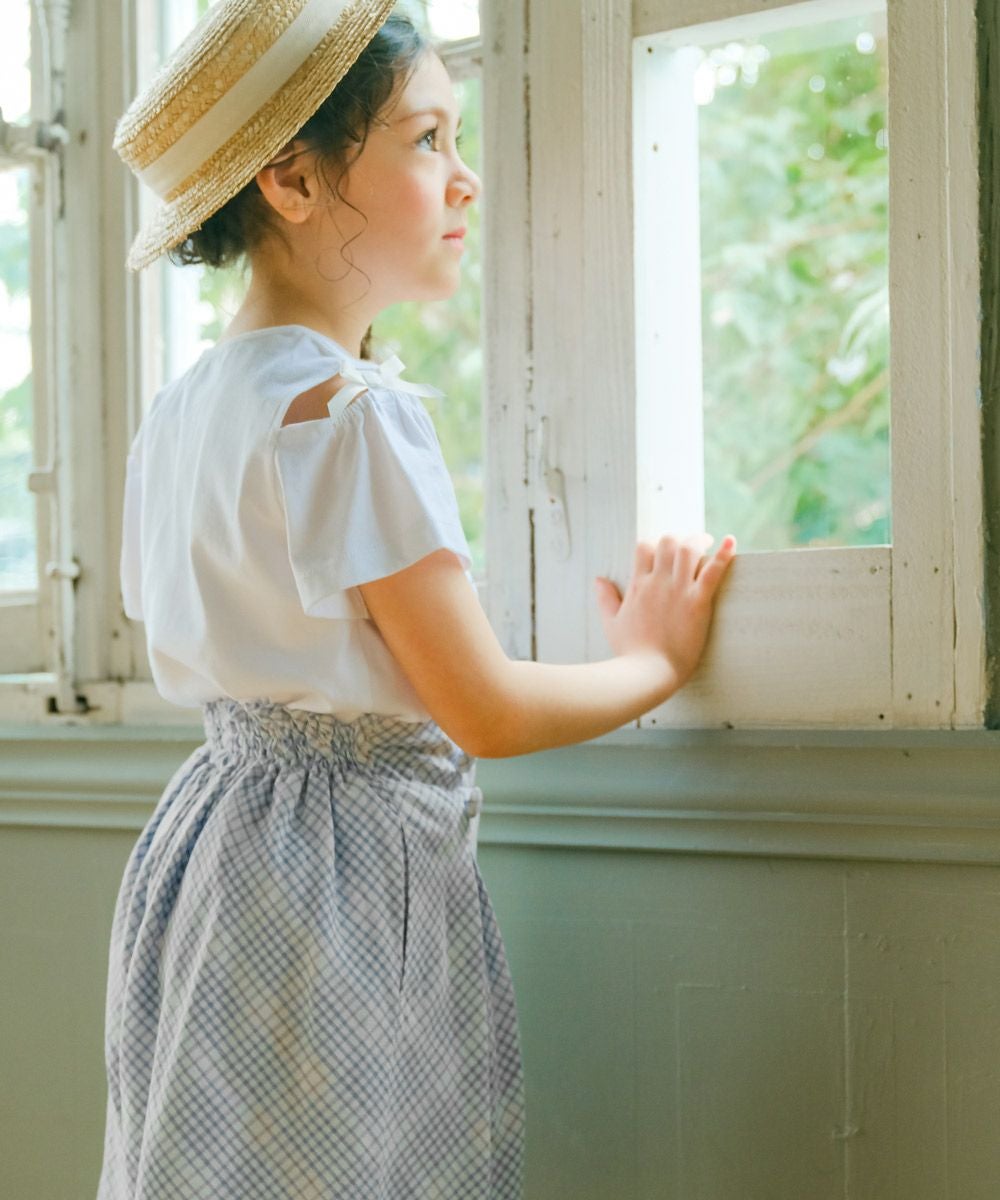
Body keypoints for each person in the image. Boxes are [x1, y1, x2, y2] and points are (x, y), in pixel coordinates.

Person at [97, 2, 738, 1198]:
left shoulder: (183, 414)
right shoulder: (350, 413)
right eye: (428, 139)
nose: (467, 179)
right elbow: (480, 707)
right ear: (291, 181)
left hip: (212, 849)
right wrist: (653, 660)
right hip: (336, 879)